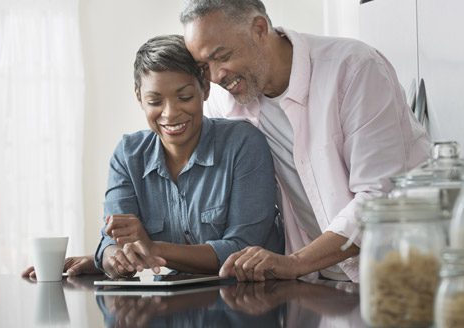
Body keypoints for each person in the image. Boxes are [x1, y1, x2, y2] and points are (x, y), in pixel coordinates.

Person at [180, 0, 430, 282]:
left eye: (222, 56)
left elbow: (378, 199)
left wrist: (296, 263)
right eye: (204, 66)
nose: (215, 77)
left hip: (408, 270)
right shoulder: (224, 100)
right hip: (325, 279)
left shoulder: (353, 68)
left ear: (259, 29)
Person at [94, 34, 283, 278]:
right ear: (139, 97)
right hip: (172, 305)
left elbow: (242, 249)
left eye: (184, 97)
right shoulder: (128, 155)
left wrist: (154, 248)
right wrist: (117, 258)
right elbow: (110, 242)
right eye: (155, 101)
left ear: (204, 88)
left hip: (251, 300)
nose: (170, 114)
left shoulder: (243, 144)